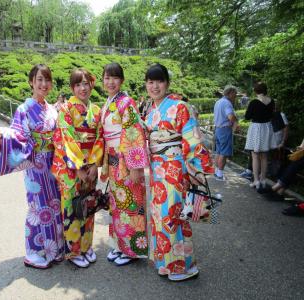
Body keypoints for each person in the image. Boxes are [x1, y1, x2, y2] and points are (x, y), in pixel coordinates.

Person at [144, 63, 214, 282]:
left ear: (167, 83)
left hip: (174, 168)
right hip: (157, 169)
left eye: (159, 81)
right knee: (161, 215)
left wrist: (196, 170)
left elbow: (191, 139)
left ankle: (182, 266)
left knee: (172, 215)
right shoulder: (151, 108)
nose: (154, 86)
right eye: (150, 82)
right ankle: (166, 263)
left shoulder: (180, 107)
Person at [0, 64, 64, 269]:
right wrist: (3, 134)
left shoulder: (52, 110)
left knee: (55, 203)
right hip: (35, 164)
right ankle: (34, 252)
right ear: (31, 82)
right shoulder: (23, 110)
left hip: (53, 161)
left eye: (47, 80)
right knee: (38, 207)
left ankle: (55, 248)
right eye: (39, 79)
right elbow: (18, 136)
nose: (44, 84)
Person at [51, 69, 104, 268]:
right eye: (78, 84)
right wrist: (78, 168)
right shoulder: (65, 109)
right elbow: (65, 139)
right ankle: (73, 252)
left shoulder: (96, 110)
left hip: (89, 167)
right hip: (71, 169)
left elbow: (100, 138)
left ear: (91, 85)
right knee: (73, 208)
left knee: (88, 206)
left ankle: (87, 246)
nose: (83, 88)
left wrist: (93, 165)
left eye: (86, 83)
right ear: (73, 88)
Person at [100, 62, 149, 266]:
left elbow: (134, 132)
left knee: (130, 204)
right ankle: (120, 245)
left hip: (126, 162)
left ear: (121, 80)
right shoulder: (109, 102)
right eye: (107, 78)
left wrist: (136, 167)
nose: (110, 82)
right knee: (118, 205)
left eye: (115, 78)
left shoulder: (126, 102)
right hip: (113, 160)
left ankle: (132, 250)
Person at [244, 82, 276, 192]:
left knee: (255, 155)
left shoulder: (254, 102)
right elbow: (272, 115)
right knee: (265, 156)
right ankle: (263, 180)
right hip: (267, 128)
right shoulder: (271, 101)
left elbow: (247, 117)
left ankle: (256, 181)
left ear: (255, 91)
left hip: (256, 128)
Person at [213, 85, 239, 181]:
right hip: (225, 129)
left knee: (219, 151)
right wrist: (237, 121)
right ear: (230, 93)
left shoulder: (218, 102)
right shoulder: (227, 103)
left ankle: (216, 172)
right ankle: (219, 174)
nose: (235, 96)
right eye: (235, 93)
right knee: (224, 152)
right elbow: (231, 117)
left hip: (218, 129)